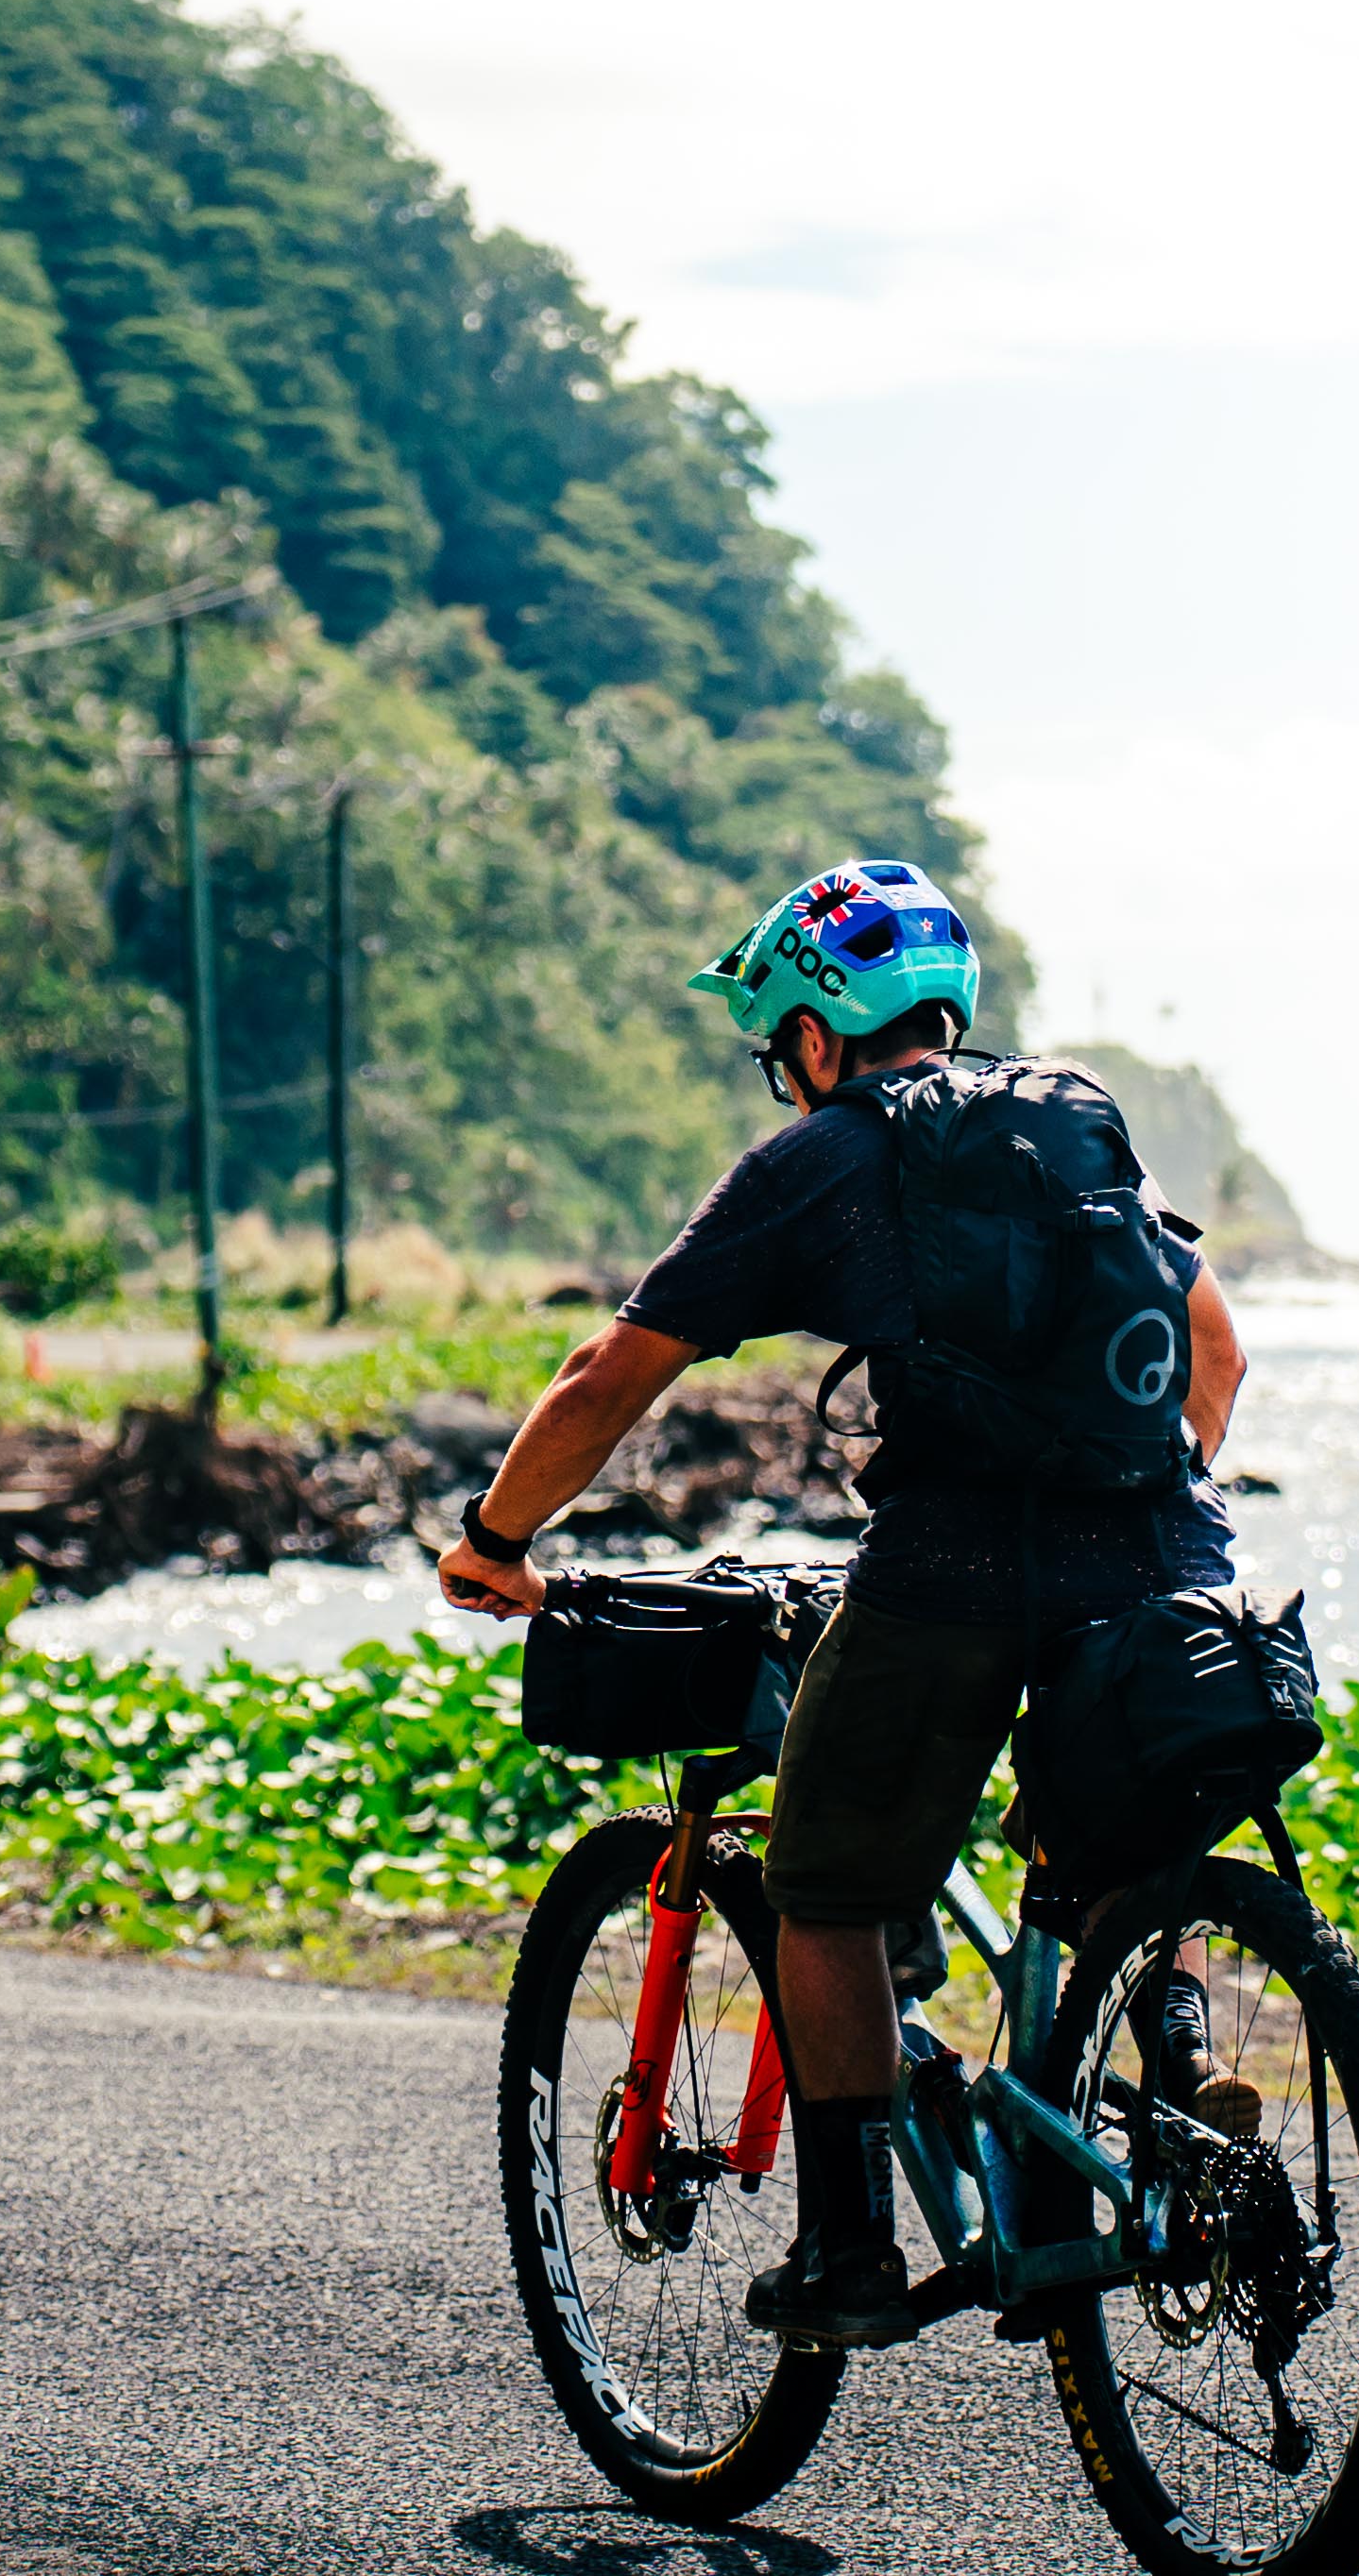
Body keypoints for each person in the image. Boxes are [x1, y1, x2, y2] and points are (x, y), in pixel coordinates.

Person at [432, 856, 1245, 2345]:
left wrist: (495, 1533)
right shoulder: (1071, 1121)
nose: (782, 1077)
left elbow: (612, 1373)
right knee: (1128, 1832)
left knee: (825, 1889)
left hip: (951, 1571)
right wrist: (1123, 1514)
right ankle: (1182, 2063)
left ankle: (850, 2251)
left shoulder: (820, 1160)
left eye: (778, 1050)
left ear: (814, 1033)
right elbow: (1218, 1363)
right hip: (1160, 1561)